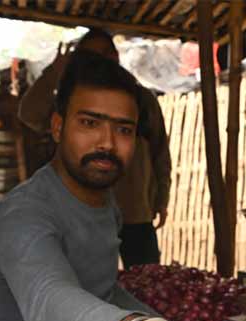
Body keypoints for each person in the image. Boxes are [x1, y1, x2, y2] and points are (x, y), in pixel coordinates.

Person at [0, 52, 231, 321]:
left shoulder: (104, 204)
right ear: (59, 127)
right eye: (90, 123)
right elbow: (51, 304)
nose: (107, 142)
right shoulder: (23, 217)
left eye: (123, 129)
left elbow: (104, 290)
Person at [19, 28, 171, 267]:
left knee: (146, 281)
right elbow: (29, 114)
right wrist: (55, 70)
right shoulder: (69, 98)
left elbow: (160, 151)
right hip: (81, 214)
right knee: (90, 284)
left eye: (110, 53)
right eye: (90, 123)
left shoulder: (141, 99)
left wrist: (161, 197)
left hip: (134, 211)